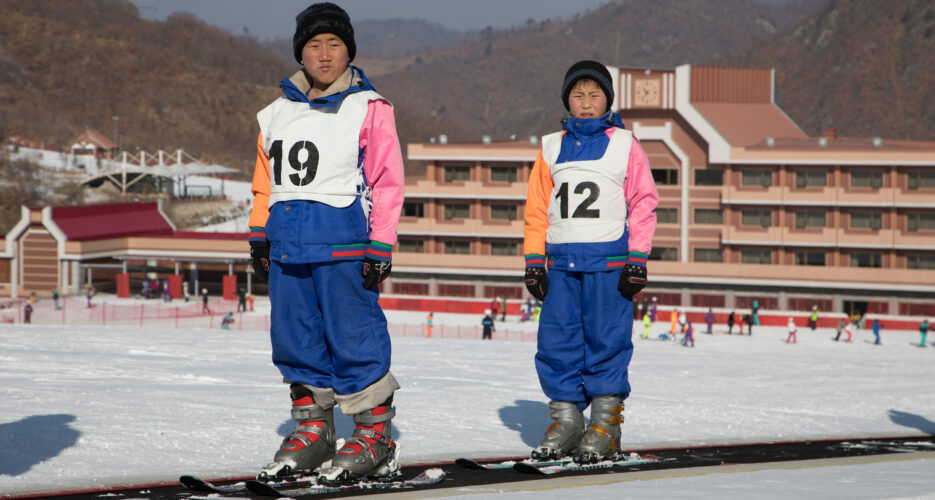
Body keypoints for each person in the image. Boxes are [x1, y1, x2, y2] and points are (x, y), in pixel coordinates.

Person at [246, 2, 405, 484]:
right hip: (289, 247)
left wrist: (381, 245)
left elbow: (388, 182)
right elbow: (263, 182)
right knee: (295, 341)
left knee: (354, 340)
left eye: (334, 44)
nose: (324, 53)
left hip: (345, 247)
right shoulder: (275, 114)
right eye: (314, 45)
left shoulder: (369, 107)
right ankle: (314, 432)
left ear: (348, 51)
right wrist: (258, 233)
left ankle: (374, 435)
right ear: (301, 54)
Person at [522, 60, 658, 464]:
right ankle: (565, 420)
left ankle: (605, 424)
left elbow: (644, 203)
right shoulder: (550, 146)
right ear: (567, 99)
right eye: (577, 95)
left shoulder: (625, 144)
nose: (585, 103)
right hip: (561, 265)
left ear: (607, 100)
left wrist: (638, 258)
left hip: (610, 264)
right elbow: (536, 209)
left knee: (606, 340)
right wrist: (534, 260)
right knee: (556, 343)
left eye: (593, 95)